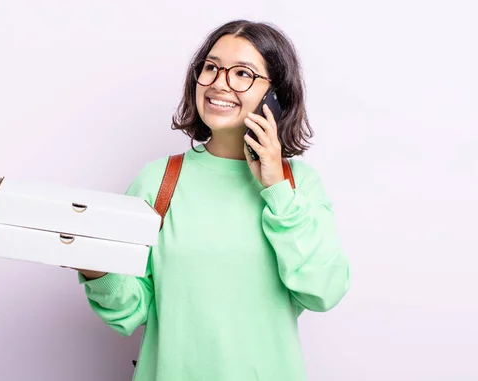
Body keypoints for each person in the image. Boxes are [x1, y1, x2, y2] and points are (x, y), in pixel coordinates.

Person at [75, 19, 351, 381]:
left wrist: (275, 187)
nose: (219, 83)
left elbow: (323, 290)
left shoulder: (299, 184)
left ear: (275, 95)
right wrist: (96, 267)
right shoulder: (158, 180)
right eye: (211, 67)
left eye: (242, 74)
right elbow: (133, 309)